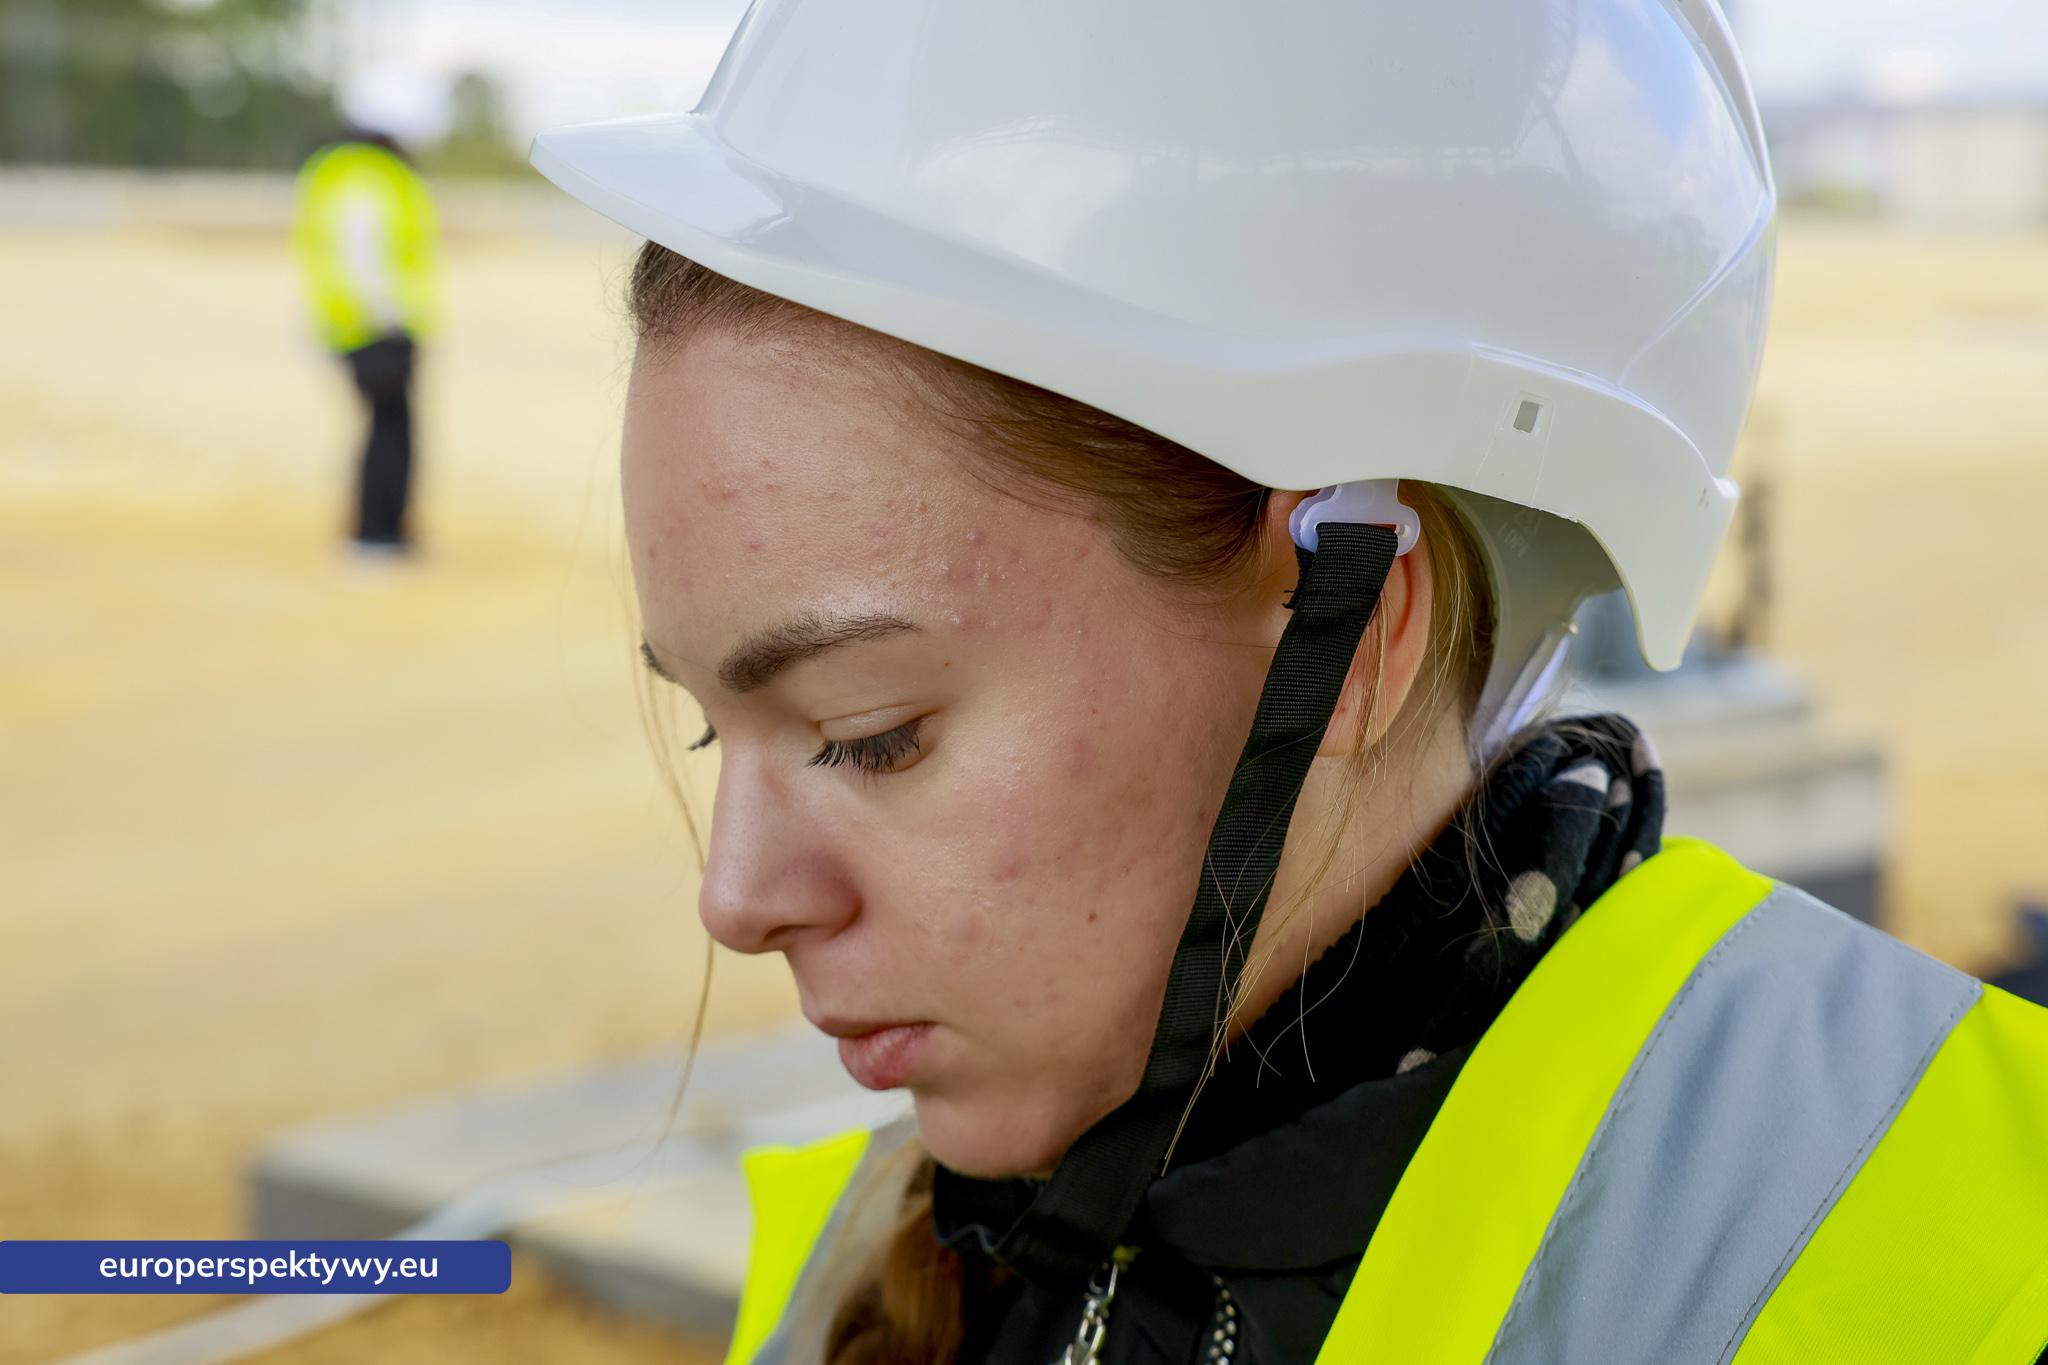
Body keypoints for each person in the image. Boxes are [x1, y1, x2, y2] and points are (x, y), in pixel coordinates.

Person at [533, 1, 2048, 1361]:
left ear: (1364, 622)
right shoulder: (875, 1263)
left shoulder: (1981, 1253)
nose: (736, 900)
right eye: (705, 720)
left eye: (871, 735)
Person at [292, 130, 440, 556]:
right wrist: (387, 315)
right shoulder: (371, 175)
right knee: (389, 431)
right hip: (379, 328)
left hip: (352, 326)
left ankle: (381, 530)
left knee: (383, 427)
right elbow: (362, 252)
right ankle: (377, 535)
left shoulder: (334, 171)